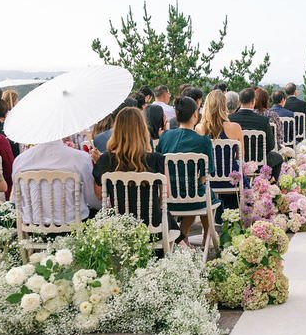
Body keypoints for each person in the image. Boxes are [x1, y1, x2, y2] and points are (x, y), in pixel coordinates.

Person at [93, 107, 180, 241]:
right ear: (143, 130)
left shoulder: (105, 160)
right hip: (153, 228)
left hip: (119, 229)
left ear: (116, 130)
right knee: (165, 215)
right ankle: (184, 246)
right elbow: (166, 194)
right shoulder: (157, 159)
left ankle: (184, 244)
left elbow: (100, 195)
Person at [157, 96, 216, 239]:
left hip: (167, 197)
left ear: (177, 115)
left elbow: (158, 164)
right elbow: (208, 173)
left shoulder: (165, 137)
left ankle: (182, 237)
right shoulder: (203, 141)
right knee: (204, 193)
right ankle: (207, 236)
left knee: (195, 191)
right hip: (192, 197)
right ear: (195, 115)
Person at [13, 131, 101, 224]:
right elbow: (92, 199)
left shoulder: (20, 161)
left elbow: (17, 199)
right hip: (73, 225)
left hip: (32, 226)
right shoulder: (80, 157)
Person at [230, 88, 285, 168]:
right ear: (253, 102)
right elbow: (271, 145)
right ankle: (270, 180)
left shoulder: (230, 119)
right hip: (260, 161)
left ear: (239, 102)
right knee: (278, 158)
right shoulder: (263, 121)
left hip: (236, 160)